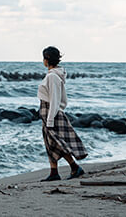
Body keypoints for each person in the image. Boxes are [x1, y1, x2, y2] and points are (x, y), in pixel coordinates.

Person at [38, 46, 87, 181]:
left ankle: (74, 167)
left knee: (57, 142)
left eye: (43, 58)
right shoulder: (53, 75)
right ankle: (54, 172)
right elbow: (62, 98)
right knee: (50, 143)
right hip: (48, 112)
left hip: (51, 113)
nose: (42, 61)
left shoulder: (53, 76)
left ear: (47, 59)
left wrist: (50, 118)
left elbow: (55, 99)